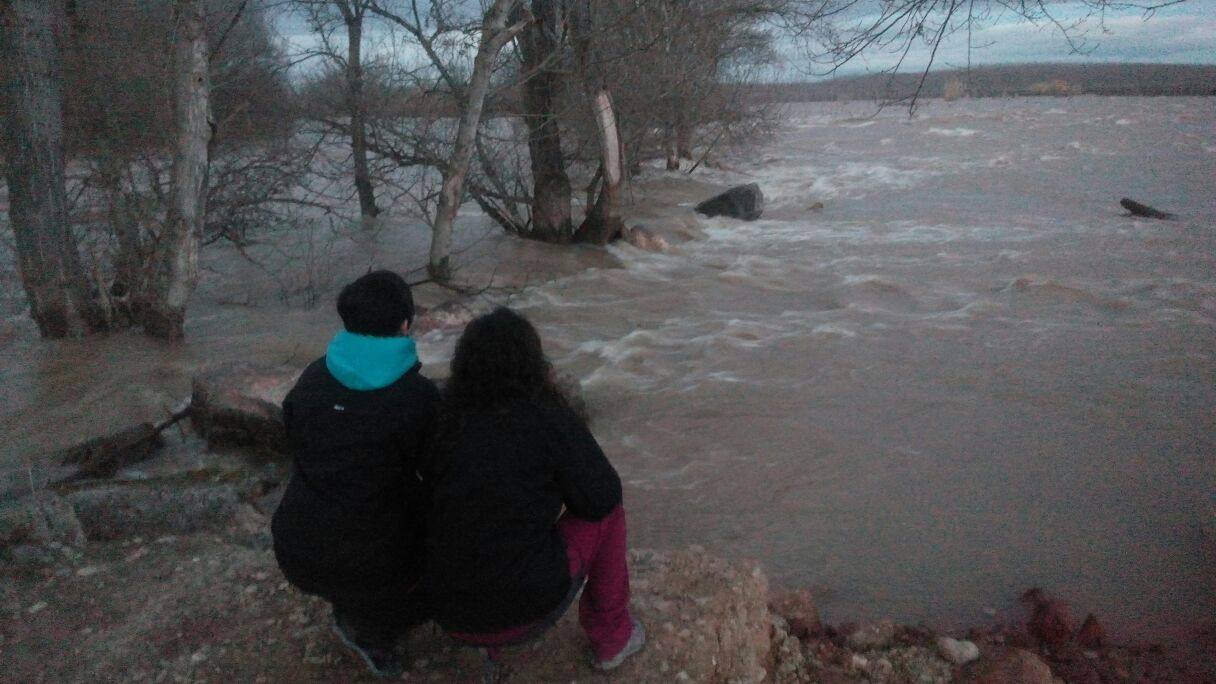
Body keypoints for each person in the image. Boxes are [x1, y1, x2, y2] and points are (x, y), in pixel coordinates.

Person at [423, 307, 646, 671]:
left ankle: (484, 647)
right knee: (608, 514)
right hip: (523, 610)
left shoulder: (439, 417)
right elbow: (602, 495)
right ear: (533, 361)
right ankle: (612, 639)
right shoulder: (547, 416)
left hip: (445, 610)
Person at [271, 270, 439, 678]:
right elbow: (441, 475)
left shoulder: (312, 380)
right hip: (373, 563)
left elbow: (296, 446)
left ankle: (358, 610)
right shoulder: (418, 398)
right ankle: (372, 633)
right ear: (404, 325)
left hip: (295, 547)